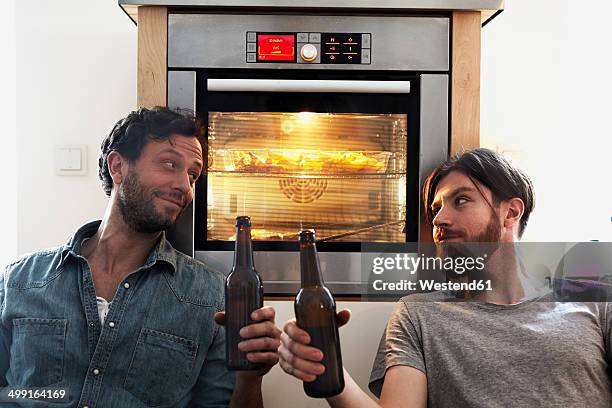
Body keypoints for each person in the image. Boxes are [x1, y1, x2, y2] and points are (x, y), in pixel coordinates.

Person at [278, 148, 612, 407]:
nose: (440, 219)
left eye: (461, 200)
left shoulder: (592, 303)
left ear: (510, 211)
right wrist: (328, 371)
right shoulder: (418, 315)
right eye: (435, 208)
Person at [0, 107, 281, 407]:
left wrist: (250, 378)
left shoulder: (212, 299)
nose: (184, 187)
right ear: (118, 166)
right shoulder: (18, 281)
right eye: (170, 164)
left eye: (192, 175)